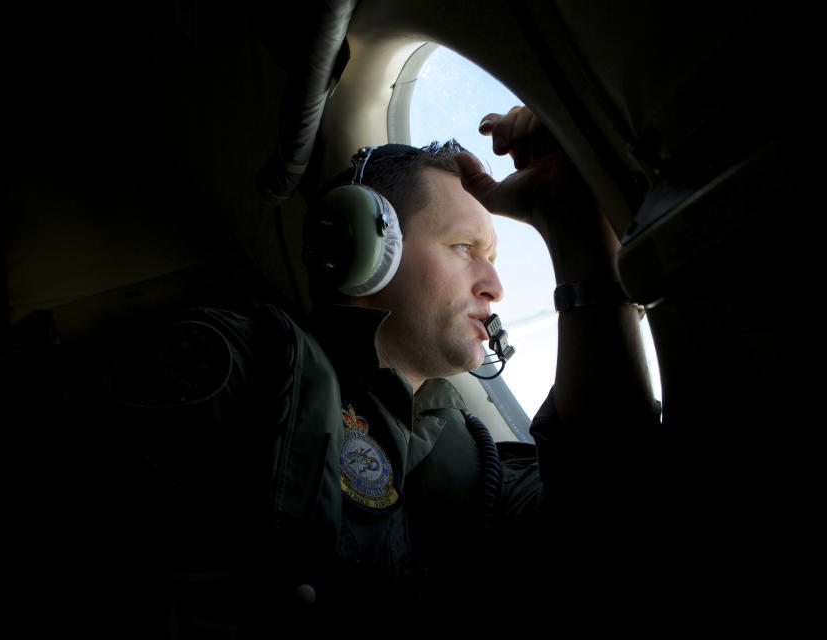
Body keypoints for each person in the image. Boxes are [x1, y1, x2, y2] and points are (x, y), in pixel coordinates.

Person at [110, 106, 659, 636]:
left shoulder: (472, 459)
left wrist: (578, 233)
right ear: (365, 246)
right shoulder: (239, 361)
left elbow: (607, 524)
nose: (495, 285)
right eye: (464, 246)